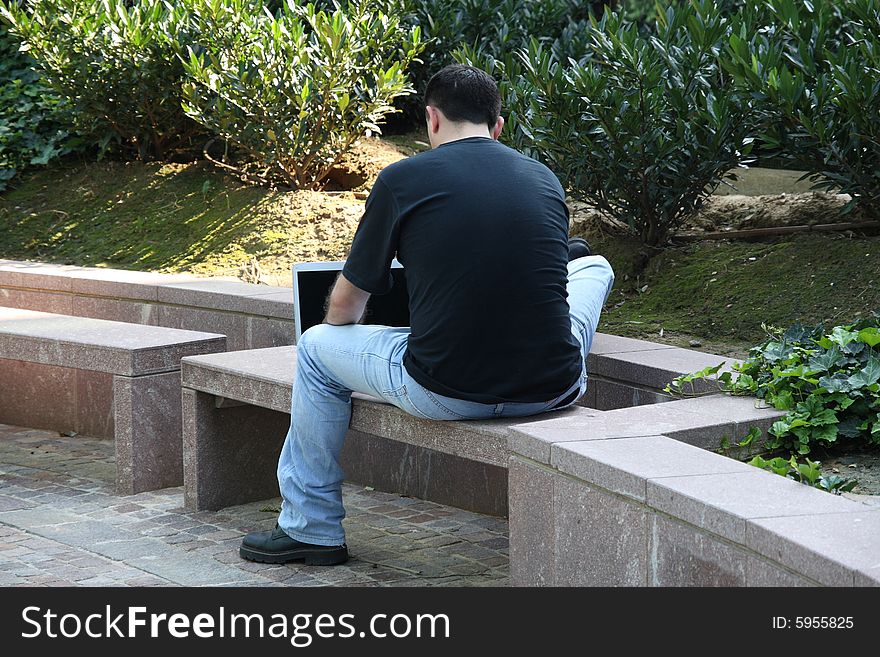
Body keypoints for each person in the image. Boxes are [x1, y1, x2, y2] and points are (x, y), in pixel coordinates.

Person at [239, 64, 615, 565]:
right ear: (498, 126)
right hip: (555, 386)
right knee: (593, 265)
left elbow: (347, 307)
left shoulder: (403, 179)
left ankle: (311, 529)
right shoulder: (542, 177)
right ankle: (574, 260)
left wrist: (367, 333)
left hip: (446, 390)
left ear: (431, 120)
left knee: (313, 350)